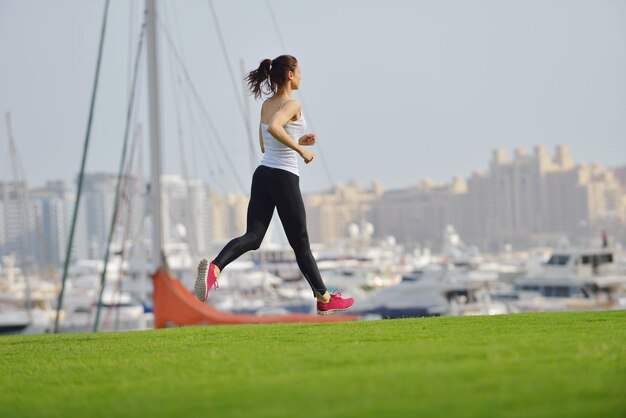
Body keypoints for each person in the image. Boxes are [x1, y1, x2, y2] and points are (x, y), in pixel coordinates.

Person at [193, 55, 354, 315]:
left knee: (253, 237)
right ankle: (324, 299)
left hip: (263, 174)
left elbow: (266, 144)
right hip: (283, 177)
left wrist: (297, 138)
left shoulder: (267, 105)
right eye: (299, 71)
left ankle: (215, 268)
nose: (302, 76)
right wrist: (301, 151)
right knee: (301, 245)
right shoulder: (292, 104)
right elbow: (274, 130)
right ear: (290, 74)